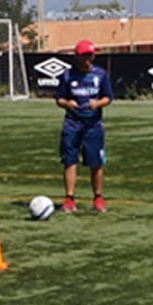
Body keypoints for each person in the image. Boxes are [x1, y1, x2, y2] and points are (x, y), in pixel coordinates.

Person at [56, 39, 113, 213]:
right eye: (83, 56)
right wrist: (68, 104)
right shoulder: (67, 75)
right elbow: (59, 99)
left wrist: (97, 104)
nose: (87, 59)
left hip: (93, 125)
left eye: (90, 55)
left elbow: (108, 97)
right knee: (69, 161)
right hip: (71, 125)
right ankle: (69, 199)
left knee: (95, 163)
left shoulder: (101, 75)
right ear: (77, 57)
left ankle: (98, 198)